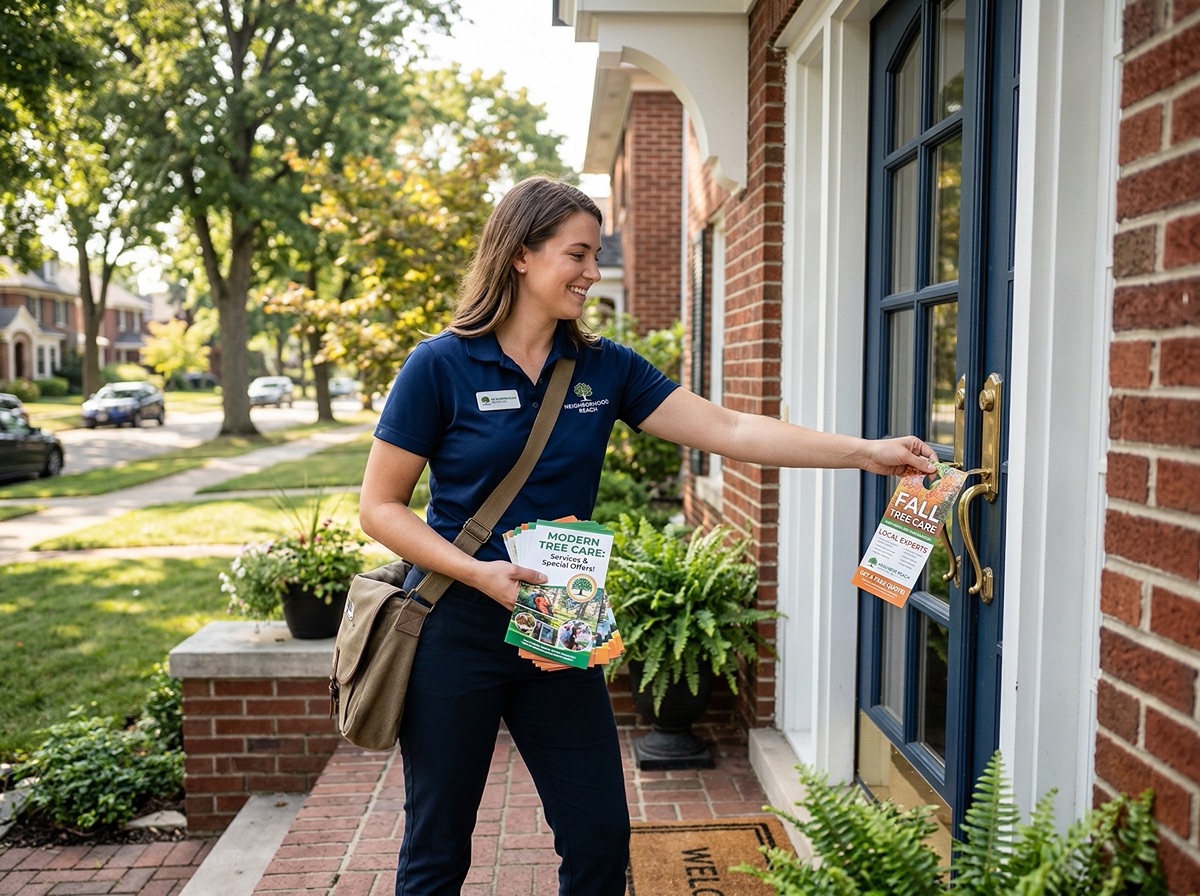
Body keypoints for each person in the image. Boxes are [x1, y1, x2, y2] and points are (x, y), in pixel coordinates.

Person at [358, 175, 938, 896]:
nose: (592, 272)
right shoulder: (439, 365)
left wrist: (864, 451)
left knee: (599, 836)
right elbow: (380, 507)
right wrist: (478, 573)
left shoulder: (604, 367)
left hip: (560, 620)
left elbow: (729, 428)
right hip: (453, 623)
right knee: (437, 847)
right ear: (520, 256)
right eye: (576, 254)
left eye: (594, 253)